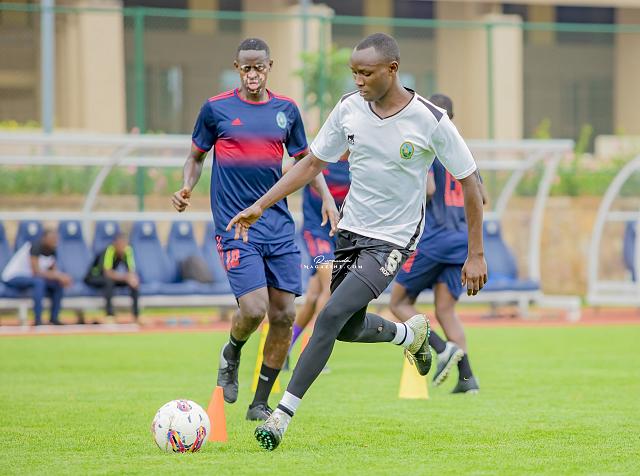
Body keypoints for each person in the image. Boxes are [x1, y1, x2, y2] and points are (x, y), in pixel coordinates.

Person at [226, 33, 487, 451]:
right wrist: (261, 204)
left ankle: (281, 417)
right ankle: (410, 336)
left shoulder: (430, 119)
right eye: (354, 73)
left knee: (329, 316)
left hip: (393, 241)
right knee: (347, 327)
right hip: (350, 233)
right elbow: (312, 163)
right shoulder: (349, 108)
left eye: (366, 73)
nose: (359, 80)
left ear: (392, 70)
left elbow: (470, 181)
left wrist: (476, 253)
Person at [171, 38, 338, 422]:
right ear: (237, 68)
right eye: (246, 68)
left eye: (258, 67)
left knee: (284, 314)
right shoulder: (216, 109)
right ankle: (231, 351)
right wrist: (186, 186)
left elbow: (306, 162)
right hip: (236, 226)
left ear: (269, 67)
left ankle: (259, 402)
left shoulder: (286, 111)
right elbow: (195, 157)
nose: (252, 74)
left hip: (277, 225)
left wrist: (327, 198)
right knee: (254, 308)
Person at [390, 94, 486, 394]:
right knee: (445, 311)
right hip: (460, 244)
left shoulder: (429, 145)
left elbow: (429, 188)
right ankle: (468, 380)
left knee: (398, 302)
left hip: (433, 240)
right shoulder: (463, 151)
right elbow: (482, 196)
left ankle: (442, 349)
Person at [286, 152, 350, 368]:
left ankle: (283, 347)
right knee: (331, 285)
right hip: (316, 232)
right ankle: (313, 353)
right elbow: (286, 172)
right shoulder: (321, 154)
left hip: (340, 236)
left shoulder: (360, 158)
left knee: (314, 297)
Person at [1, 228, 72, 325]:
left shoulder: (52, 250)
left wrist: (61, 278)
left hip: (31, 278)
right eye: (52, 238)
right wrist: (59, 276)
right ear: (44, 238)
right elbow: (36, 272)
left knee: (57, 284)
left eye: (56, 238)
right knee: (39, 282)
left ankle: (54, 318)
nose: (55, 241)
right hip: (14, 277)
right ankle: (38, 319)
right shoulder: (35, 247)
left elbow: (53, 271)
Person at [84, 232, 139, 321]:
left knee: (134, 283)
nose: (123, 248)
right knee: (109, 282)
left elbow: (131, 271)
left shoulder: (127, 250)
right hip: (93, 277)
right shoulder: (109, 250)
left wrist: (132, 279)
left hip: (110, 278)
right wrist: (125, 277)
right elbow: (107, 273)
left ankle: (136, 315)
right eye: (121, 245)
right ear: (115, 244)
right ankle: (109, 315)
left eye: (124, 245)